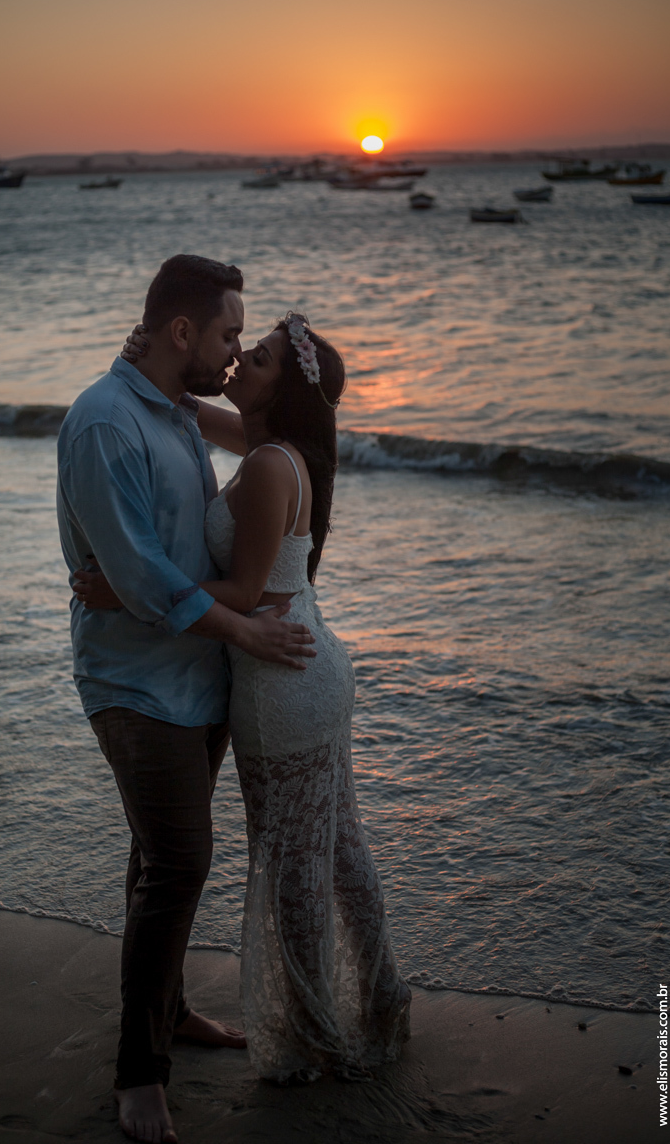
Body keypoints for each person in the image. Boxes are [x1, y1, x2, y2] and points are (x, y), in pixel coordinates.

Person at [80, 310, 411, 1088]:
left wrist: (128, 591)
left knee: (294, 864)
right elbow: (194, 410)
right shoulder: (268, 448)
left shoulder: (269, 465)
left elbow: (244, 590)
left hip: (279, 683)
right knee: (340, 849)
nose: (240, 359)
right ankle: (382, 993)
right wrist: (148, 363)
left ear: (282, 385)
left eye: (256, 356)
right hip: (311, 666)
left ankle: (313, 1029)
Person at [56, 255, 317, 1144]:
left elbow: (273, 440)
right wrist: (249, 632)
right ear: (181, 334)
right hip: (133, 684)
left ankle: (163, 1013)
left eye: (246, 340)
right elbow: (136, 576)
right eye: (228, 335)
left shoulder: (170, 406)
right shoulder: (102, 424)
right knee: (179, 863)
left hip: (195, 678)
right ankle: (139, 1075)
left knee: (156, 860)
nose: (235, 351)